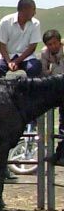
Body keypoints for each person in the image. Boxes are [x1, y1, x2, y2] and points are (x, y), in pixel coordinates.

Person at [0, 0, 42, 78]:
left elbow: (32, 47)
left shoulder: (35, 23)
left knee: (34, 68)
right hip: (8, 56)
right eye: (33, 9)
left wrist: (16, 61)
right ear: (24, 10)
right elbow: (2, 45)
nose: (35, 12)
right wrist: (9, 62)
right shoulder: (5, 21)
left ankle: (30, 90)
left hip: (26, 56)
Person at [41, 29, 64, 165]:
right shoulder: (45, 53)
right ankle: (59, 155)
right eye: (49, 44)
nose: (53, 47)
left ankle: (59, 155)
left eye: (55, 43)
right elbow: (44, 72)